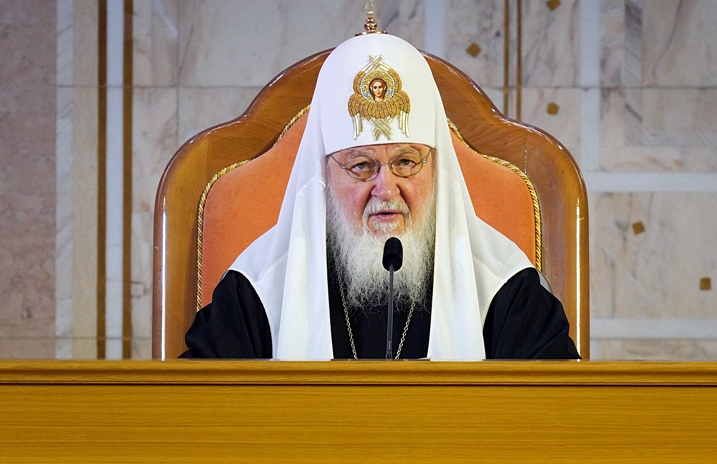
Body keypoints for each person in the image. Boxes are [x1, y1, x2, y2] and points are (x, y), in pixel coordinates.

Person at [181, 31, 579, 360]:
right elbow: (192, 416)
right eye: (361, 166)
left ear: (436, 168)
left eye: (406, 162)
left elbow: (562, 419)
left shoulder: (504, 287)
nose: (386, 189)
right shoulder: (260, 289)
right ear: (325, 174)